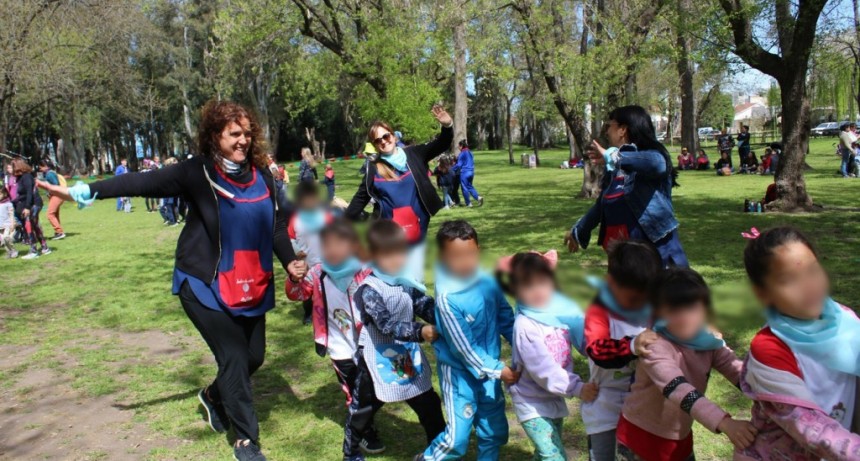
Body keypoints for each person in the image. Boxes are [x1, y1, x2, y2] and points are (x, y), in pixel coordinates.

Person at [38, 100, 297, 461]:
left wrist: (290, 263)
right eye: (233, 134)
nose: (243, 140)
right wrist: (84, 191)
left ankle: (212, 396)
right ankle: (246, 440)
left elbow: (276, 225)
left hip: (250, 282)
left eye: (247, 133)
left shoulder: (263, 176)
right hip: (202, 281)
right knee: (235, 356)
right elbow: (142, 181)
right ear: (214, 136)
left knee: (254, 357)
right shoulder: (197, 172)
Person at [737, 226, 860, 461]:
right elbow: (811, 428)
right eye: (789, 280)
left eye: (813, 271)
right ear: (762, 293)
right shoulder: (769, 349)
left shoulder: (846, 320)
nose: (809, 287)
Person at [616, 267, 755, 461]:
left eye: (692, 307)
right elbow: (677, 388)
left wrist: (770, 393)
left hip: (679, 438)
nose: (685, 318)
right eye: (673, 310)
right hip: (639, 440)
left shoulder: (707, 342)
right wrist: (725, 423)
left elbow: (737, 371)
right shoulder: (653, 344)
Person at [340, 220, 445, 461]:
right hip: (377, 359)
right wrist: (421, 331)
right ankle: (351, 453)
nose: (397, 259)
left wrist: (446, 315)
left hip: (406, 356)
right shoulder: (369, 289)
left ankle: (439, 450)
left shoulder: (406, 282)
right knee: (363, 410)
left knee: (429, 403)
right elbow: (385, 325)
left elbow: (423, 305)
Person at [284, 218, 386, 455]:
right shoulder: (317, 273)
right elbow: (297, 294)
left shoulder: (366, 269)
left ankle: (363, 419)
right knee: (353, 389)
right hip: (338, 344)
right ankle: (363, 431)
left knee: (373, 386)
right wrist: (294, 278)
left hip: (366, 341)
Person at [421, 220, 516, 461]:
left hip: (490, 369)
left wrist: (523, 345)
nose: (465, 262)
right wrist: (498, 370)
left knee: (493, 429)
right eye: (456, 256)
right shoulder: (447, 298)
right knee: (457, 439)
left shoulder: (488, 281)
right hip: (459, 374)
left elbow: (504, 315)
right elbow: (463, 348)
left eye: (470, 254)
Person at [501, 251, 599, 461]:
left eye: (543, 282)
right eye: (528, 286)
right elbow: (543, 368)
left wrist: (601, 351)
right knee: (554, 457)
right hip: (531, 401)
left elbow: (583, 334)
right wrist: (578, 387)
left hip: (553, 396)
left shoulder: (559, 312)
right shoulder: (525, 325)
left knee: (545, 453)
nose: (538, 291)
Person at [566, 105, 688, 267]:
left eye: (609, 125)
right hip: (627, 261)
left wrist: (613, 156)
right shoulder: (615, 168)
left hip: (658, 256)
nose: (607, 131)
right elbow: (602, 206)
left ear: (623, 129)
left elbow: (657, 164)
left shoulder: (652, 156)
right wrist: (579, 230)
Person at [345, 105, 454, 282]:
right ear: (375, 146)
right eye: (378, 140)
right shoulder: (373, 168)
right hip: (388, 238)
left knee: (413, 281)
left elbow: (441, 143)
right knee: (389, 283)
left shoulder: (414, 154)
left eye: (386, 136)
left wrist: (447, 126)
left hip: (415, 233)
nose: (383, 141)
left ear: (393, 136)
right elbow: (360, 199)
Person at [581, 240, 662, 461]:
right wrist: (633, 345)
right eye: (634, 298)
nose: (641, 304)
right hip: (606, 410)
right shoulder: (599, 311)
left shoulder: (653, 307)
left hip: (644, 411)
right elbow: (597, 351)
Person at [288, 181, 332, 325]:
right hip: (306, 262)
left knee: (326, 288)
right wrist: (296, 251)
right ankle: (308, 313)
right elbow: (290, 237)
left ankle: (329, 312)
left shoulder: (324, 215)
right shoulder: (296, 218)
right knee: (307, 289)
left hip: (324, 260)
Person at [12, 158, 50, 259]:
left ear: (18, 167)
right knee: (34, 225)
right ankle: (44, 247)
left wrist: (27, 208)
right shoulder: (20, 178)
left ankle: (33, 250)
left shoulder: (27, 177)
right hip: (27, 204)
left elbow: (29, 193)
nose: (11, 170)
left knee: (29, 225)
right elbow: (22, 195)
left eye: (13, 167)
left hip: (34, 204)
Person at [38, 160, 66, 239]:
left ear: (46, 166)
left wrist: (50, 192)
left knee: (50, 214)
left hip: (57, 196)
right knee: (55, 214)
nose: (40, 169)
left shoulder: (50, 174)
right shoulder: (50, 173)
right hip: (58, 195)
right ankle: (58, 232)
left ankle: (59, 232)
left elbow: (56, 184)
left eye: (41, 167)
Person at [453, 140, 483, 207]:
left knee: (464, 188)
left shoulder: (462, 154)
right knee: (470, 186)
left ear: (461, 146)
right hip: (471, 172)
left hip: (464, 172)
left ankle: (468, 203)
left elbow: (459, 165)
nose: (458, 148)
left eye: (459, 146)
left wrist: (451, 169)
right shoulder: (470, 152)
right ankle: (478, 198)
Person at [0, 186, 17, 258]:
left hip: (8, 225)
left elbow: (11, 215)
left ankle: (13, 251)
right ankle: (9, 252)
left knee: (6, 238)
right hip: (1, 226)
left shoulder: (8, 204)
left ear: (5, 194)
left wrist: (13, 224)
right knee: (4, 241)